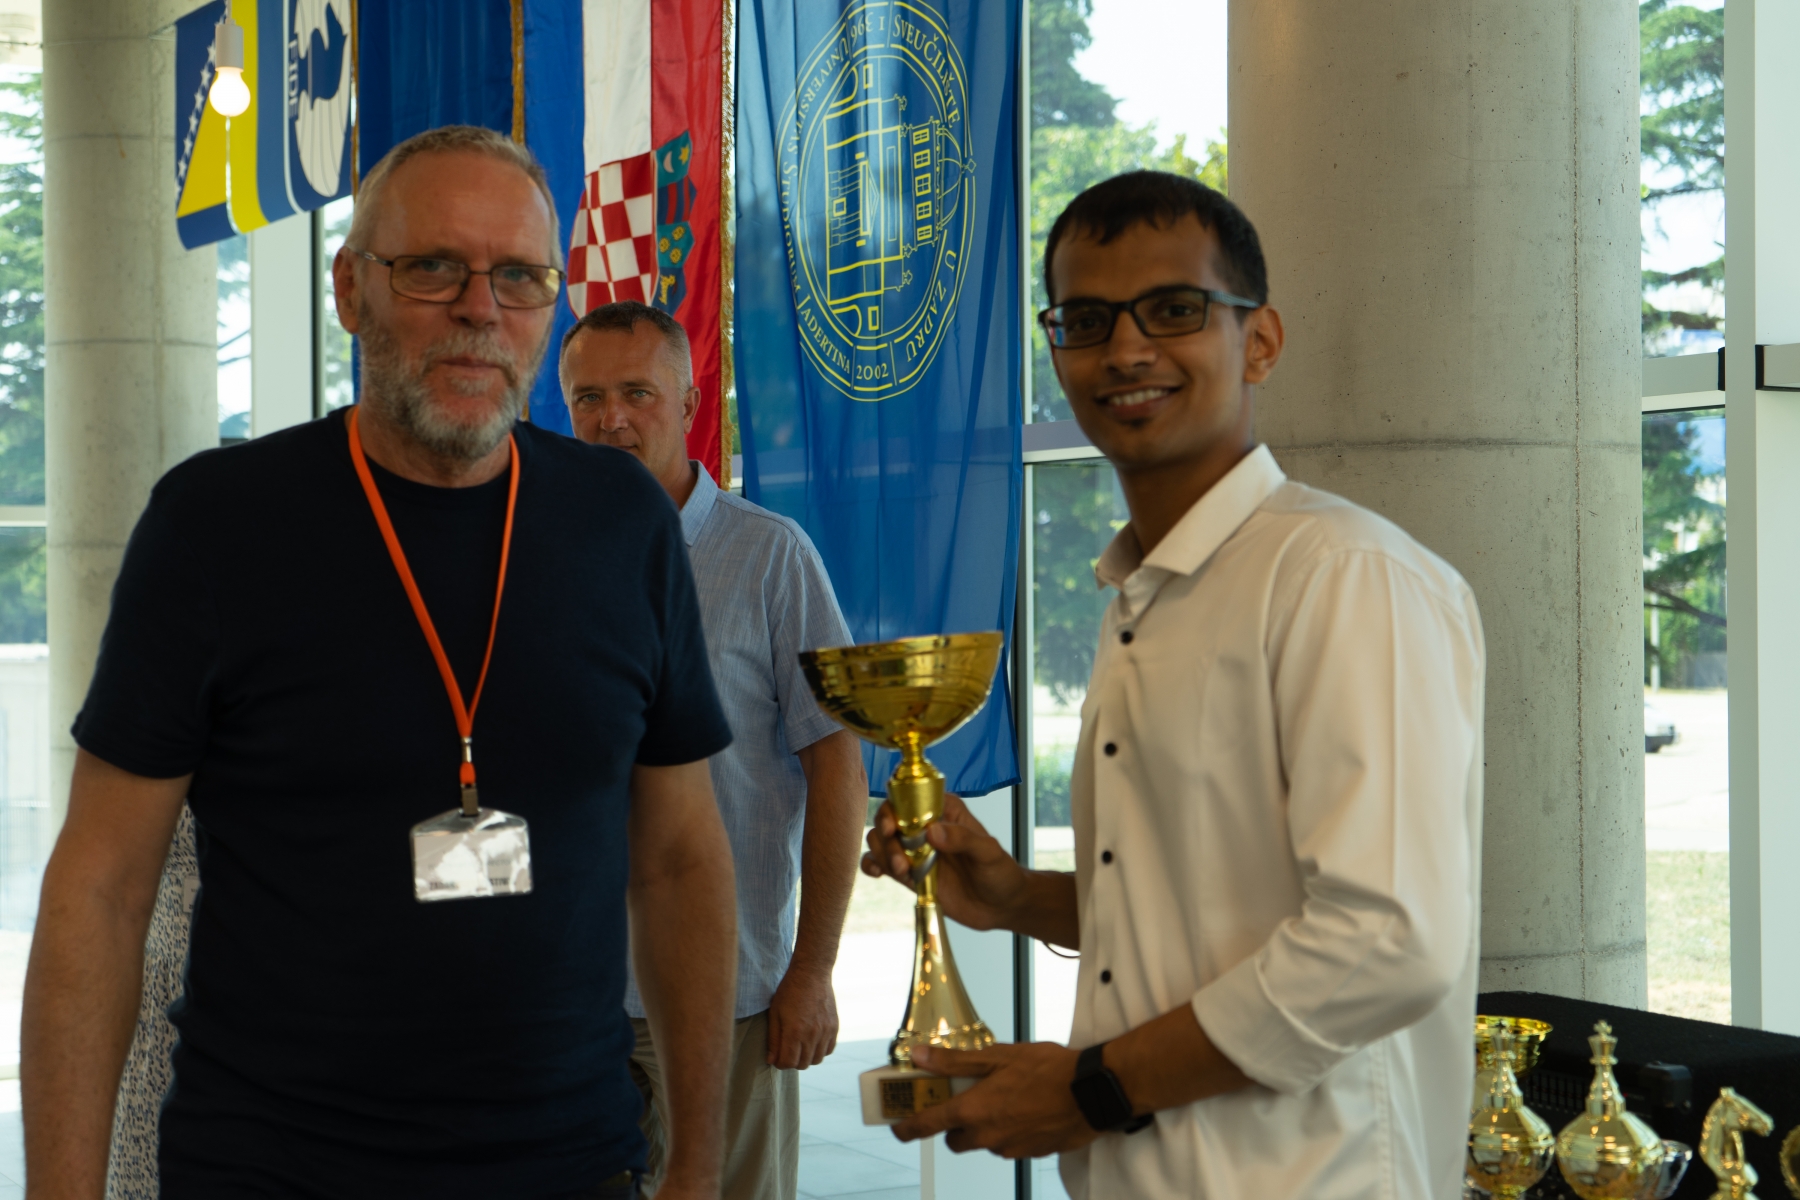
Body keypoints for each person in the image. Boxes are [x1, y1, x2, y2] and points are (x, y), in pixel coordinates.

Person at [22, 125, 739, 1200]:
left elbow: (680, 860)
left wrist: (700, 1167)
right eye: (433, 268)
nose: (480, 310)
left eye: (521, 277)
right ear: (350, 288)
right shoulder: (217, 525)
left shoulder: (621, 523)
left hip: (573, 1166)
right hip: (272, 1173)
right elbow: (102, 887)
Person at [863, 170, 1487, 1199]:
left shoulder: (1342, 576)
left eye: (1174, 310)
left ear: (1260, 340)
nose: (1125, 350)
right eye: (1086, 321)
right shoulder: (1142, 590)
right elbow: (1210, 912)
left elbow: (1388, 941)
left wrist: (1091, 1090)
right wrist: (1018, 898)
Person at [560, 301, 867, 1200]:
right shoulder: (543, 560)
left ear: (689, 402)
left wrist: (812, 970)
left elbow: (838, 766)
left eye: (637, 393)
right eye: (588, 398)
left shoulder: (771, 556)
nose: (611, 418)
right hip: (573, 997)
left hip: (723, 995)